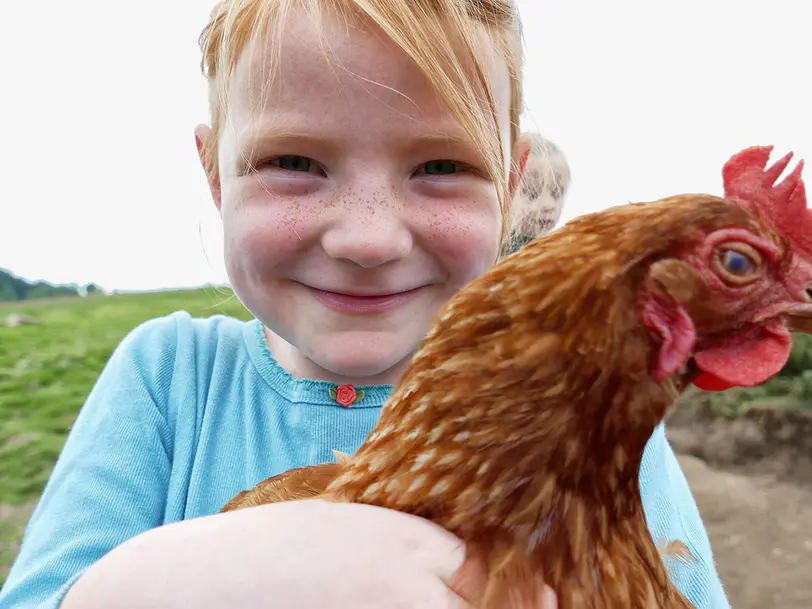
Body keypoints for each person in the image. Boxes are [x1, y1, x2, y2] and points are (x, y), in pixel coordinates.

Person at [0, 1, 731, 608]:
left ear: (510, 186)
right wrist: (189, 578)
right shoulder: (170, 381)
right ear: (215, 174)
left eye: (441, 167)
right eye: (293, 162)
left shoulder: (589, 414)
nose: (369, 238)